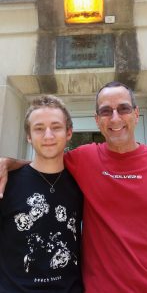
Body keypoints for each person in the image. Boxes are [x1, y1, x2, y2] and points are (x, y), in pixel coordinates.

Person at [0, 82, 147, 292]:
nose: (115, 118)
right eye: (106, 111)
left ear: (136, 113)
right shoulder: (85, 159)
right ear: (97, 120)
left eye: (123, 108)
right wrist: (7, 163)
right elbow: (46, 160)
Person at [0, 95, 83, 293]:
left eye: (56, 127)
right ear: (28, 136)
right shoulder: (5, 182)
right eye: (38, 128)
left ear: (69, 132)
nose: (48, 136)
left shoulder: (82, 182)